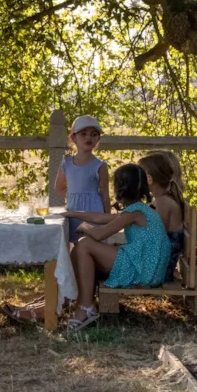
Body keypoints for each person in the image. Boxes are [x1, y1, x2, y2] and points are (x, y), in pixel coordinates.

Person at [63, 164, 171, 331]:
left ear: (119, 187)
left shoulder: (134, 212)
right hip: (146, 266)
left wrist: (84, 226)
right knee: (78, 249)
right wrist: (72, 214)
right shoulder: (139, 209)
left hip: (143, 271)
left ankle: (86, 307)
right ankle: (80, 302)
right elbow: (101, 218)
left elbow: (99, 234)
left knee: (84, 244)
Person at [55, 115, 111, 243]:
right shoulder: (66, 163)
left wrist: (108, 221)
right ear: (74, 137)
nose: (88, 138)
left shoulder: (100, 165)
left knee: (94, 245)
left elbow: (105, 195)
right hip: (74, 211)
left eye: (94, 134)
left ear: (98, 138)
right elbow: (58, 188)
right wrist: (74, 196)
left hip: (94, 213)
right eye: (83, 134)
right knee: (75, 245)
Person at [137, 151, 186, 282]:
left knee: (88, 247)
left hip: (156, 270)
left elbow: (155, 240)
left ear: (149, 179)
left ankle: (86, 301)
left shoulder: (163, 202)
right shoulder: (159, 200)